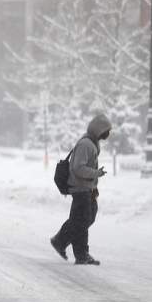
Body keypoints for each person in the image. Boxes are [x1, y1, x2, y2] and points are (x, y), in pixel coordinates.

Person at [50, 113, 112, 266]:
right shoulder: (86, 145)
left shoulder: (91, 143)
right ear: (99, 130)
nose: (108, 134)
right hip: (80, 188)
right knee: (81, 221)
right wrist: (95, 174)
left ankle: (61, 241)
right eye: (106, 130)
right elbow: (78, 168)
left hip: (87, 188)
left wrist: (94, 186)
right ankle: (79, 253)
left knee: (84, 219)